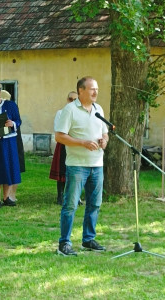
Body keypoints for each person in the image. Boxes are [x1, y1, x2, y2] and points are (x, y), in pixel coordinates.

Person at [55, 76, 109, 256]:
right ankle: (64, 243)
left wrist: (104, 141)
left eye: (97, 89)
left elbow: (105, 133)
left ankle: (88, 239)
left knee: (94, 204)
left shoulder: (98, 109)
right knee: (70, 205)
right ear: (81, 91)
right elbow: (60, 136)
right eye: (92, 89)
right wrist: (82, 143)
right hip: (77, 165)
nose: (95, 92)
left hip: (97, 164)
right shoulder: (69, 110)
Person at [49, 91, 78, 205]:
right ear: (67, 100)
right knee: (62, 171)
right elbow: (58, 129)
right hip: (63, 144)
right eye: (71, 99)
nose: (72, 101)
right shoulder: (61, 113)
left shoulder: (80, 113)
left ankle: (75, 196)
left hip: (76, 144)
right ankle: (60, 196)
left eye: (75, 99)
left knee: (76, 171)